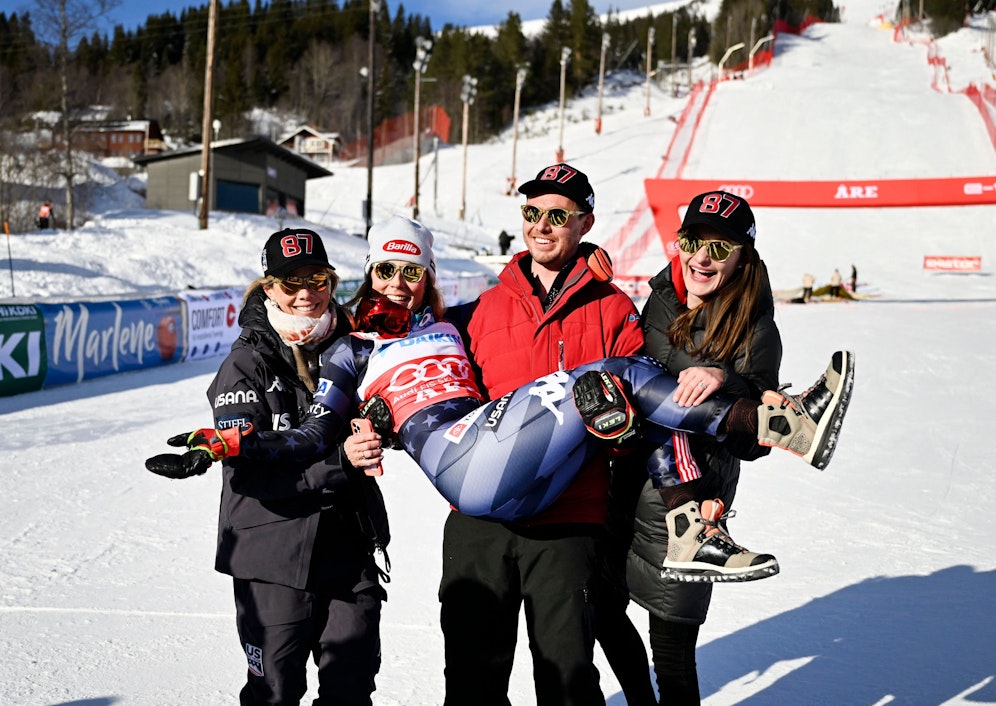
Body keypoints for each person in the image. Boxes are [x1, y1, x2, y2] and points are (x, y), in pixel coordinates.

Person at [147, 218, 851, 523]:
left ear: (426, 277)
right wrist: (224, 442)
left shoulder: (454, 325)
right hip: (465, 472)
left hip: (522, 478)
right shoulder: (350, 347)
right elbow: (309, 437)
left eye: (410, 270)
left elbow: (530, 295)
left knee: (617, 376)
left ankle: (704, 499)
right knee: (608, 378)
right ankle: (776, 425)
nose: (397, 282)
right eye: (384, 269)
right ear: (368, 273)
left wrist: (583, 264)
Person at [153, 227, 390, 706]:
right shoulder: (245, 365)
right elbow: (254, 473)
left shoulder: (357, 345)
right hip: (271, 552)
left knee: (352, 689)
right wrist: (339, 459)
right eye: (291, 282)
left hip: (347, 549)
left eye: (318, 280)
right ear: (269, 289)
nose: (306, 294)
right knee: (275, 693)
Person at [625, 190, 787, 702]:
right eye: (693, 241)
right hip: (619, 489)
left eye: (720, 248)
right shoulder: (659, 298)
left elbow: (753, 444)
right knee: (598, 617)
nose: (701, 258)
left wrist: (726, 380)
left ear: (744, 256)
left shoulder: (756, 328)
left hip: (687, 510)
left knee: (671, 653)